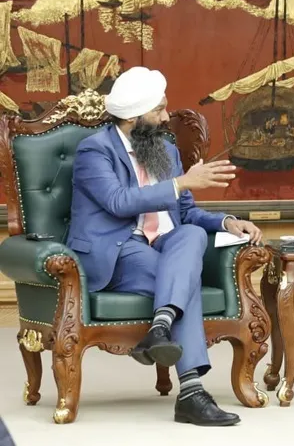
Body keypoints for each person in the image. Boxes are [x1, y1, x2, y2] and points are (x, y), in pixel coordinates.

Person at [67, 67, 263, 426]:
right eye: (158, 109)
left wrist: (226, 222)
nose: (165, 117)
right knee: (184, 283)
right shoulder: (94, 150)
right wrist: (181, 182)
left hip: (165, 246)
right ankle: (191, 392)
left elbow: (185, 213)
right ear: (133, 116)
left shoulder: (166, 149)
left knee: (191, 235)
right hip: (119, 250)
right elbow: (118, 202)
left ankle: (160, 327)